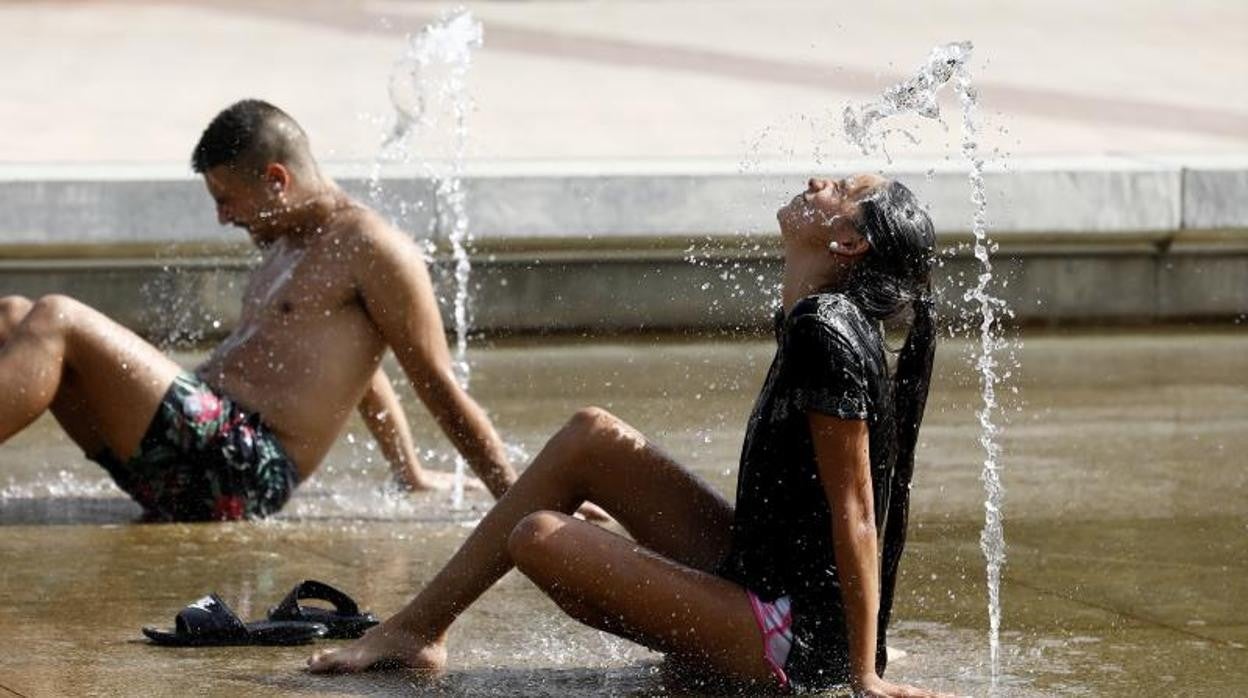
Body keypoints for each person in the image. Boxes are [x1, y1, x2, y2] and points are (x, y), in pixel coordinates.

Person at [308, 174, 954, 697]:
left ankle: (728, 655)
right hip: (766, 579)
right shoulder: (810, 317)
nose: (817, 180)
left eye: (840, 188)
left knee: (540, 537)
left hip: (800, 640)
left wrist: (864, 672)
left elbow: (861, 511)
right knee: (591, 435)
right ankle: (416, 630)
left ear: (848, 242)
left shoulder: (827, 331)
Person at [0, 99, 518, 521]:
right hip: (194, 452)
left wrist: (522, 499)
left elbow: (438, 384)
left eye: (227, 198)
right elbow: (363, 373)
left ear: (276, 178)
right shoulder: (287, 244)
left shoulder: (374, 248)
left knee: (55, 318)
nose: (222, 217)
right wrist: (409, 470)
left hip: (243, 472)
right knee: (13, 315)